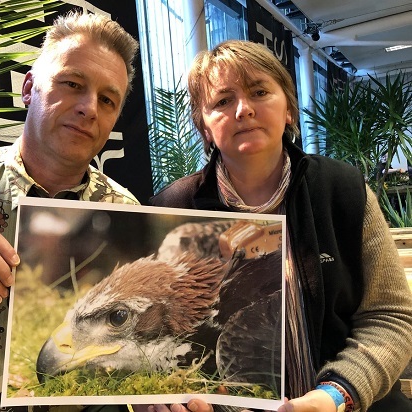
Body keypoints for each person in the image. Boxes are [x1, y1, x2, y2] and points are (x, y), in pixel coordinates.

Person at [0, 10, 212, 412]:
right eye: (72, 84)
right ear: (29, 88)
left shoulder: (124, 209)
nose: (89, 108)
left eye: (107, 99)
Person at [149, 40, 412, 412]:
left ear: (288, 108)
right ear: (204, 126)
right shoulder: (173, 208)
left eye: (260, 92)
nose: (244, 110)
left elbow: (390, 317)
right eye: (223, 101)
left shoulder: (342, 191)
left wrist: (335, 396)